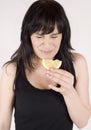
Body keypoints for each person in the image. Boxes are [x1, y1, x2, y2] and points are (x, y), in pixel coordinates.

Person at [0, 0, 91, 130]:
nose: (47, 45)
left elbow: (82, 122)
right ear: (28, 36)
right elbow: (3, 124)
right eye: (39, 37)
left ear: (63, 36)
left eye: (54, 37)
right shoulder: (12, 70)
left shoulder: (77, 63)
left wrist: (69, 92)